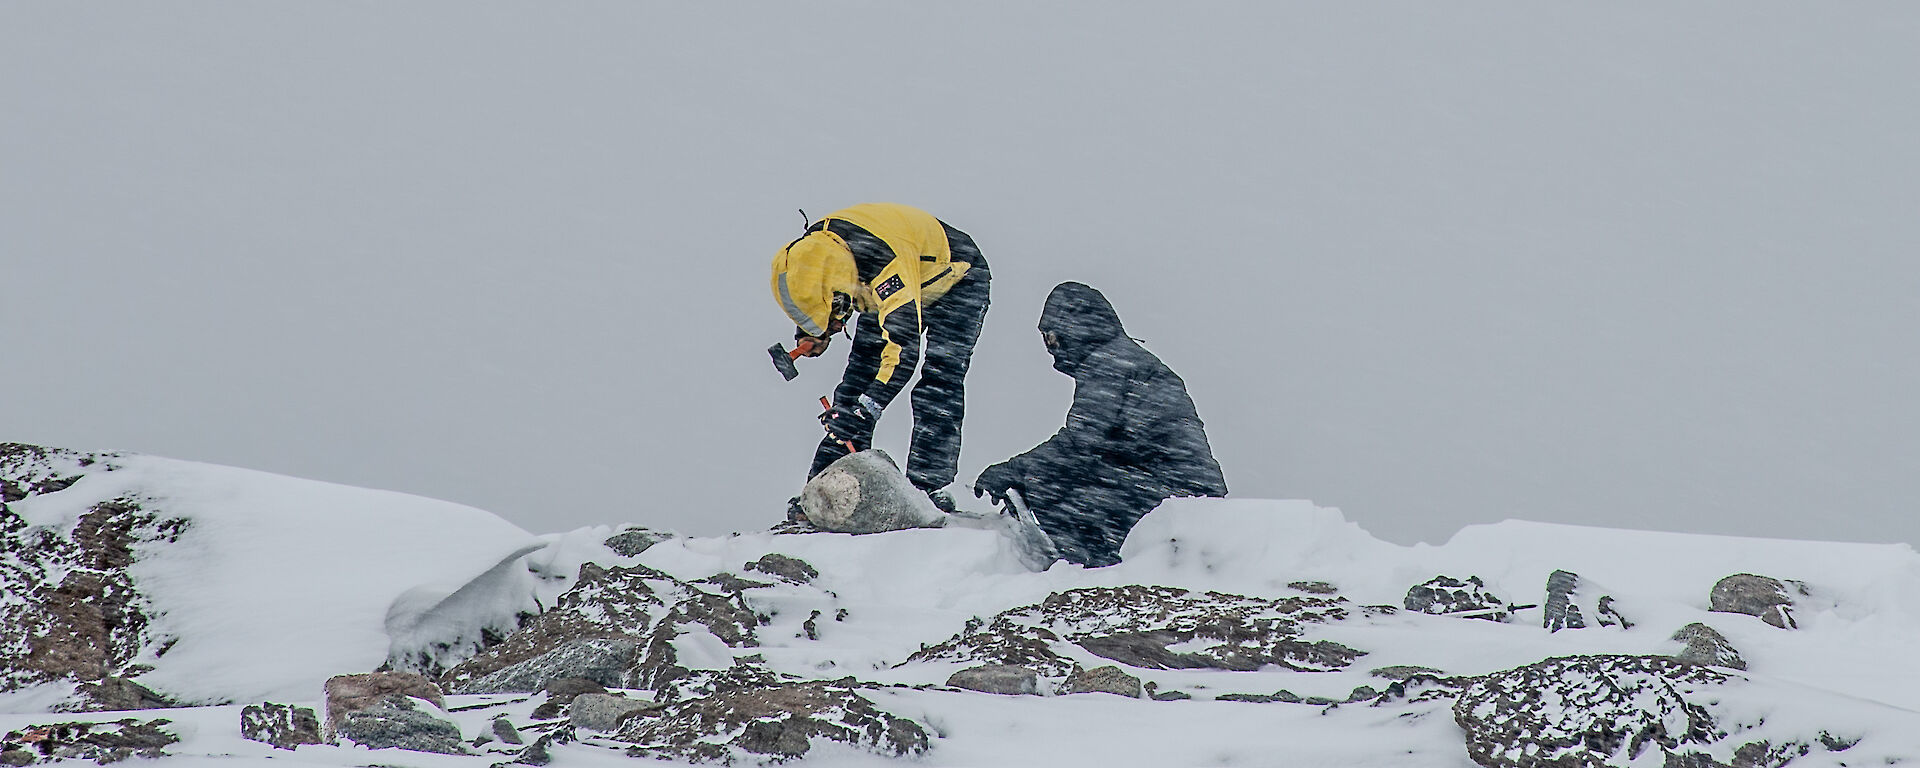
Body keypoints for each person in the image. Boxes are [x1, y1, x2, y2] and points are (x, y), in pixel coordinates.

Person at [971, 281, 1226, 566]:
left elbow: (1080, 442)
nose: (1050, 348)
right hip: (1185, 492)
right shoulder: (1124, 359)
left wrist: (1012, 470)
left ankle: (1093, 568)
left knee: (1046, 478)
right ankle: (1104, 559)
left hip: (1177, 497)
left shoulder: (1109, 364)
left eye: (1052, 337)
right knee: (1064, 474)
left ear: (1075, 329)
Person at [770, 203, 991, 512]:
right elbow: (812, 291)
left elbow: (903, 352)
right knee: (855, 384)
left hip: (954, 278)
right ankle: (827, 488)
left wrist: (866, 410)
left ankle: (926, 490)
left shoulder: (883, 266)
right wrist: (813, 330)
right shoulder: (815, 254)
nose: (838, 323)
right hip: (881, 279)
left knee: (939, 381)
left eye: (837, 313)